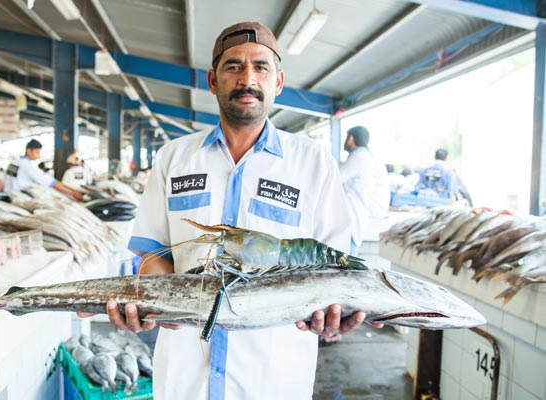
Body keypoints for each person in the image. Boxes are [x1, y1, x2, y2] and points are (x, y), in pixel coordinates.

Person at [104, 22, 380, 399]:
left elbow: (337, 270)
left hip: (273, 379)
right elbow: (155, 252)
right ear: (212, 80)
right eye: (233, 66)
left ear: (278, 81)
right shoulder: (173, 157)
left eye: (261, 67)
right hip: (186, 378)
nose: (247, 78)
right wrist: (150, 296)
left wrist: (336, 312)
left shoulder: (314, 162)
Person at [339, 126, 390, 255]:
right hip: (355, 215)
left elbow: (335, 179)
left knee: (343, 266)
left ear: (351, 139)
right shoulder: (367, 157)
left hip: (351, 216)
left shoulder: (359, 157)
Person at [3, 139, 83, 201]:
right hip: (18, 199)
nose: (38, 156)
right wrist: (73, 193)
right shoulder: (27, 166)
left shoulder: (14, 163)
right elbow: (51, 182)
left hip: (8, 196)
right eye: (37, 152)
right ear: (28, 151)